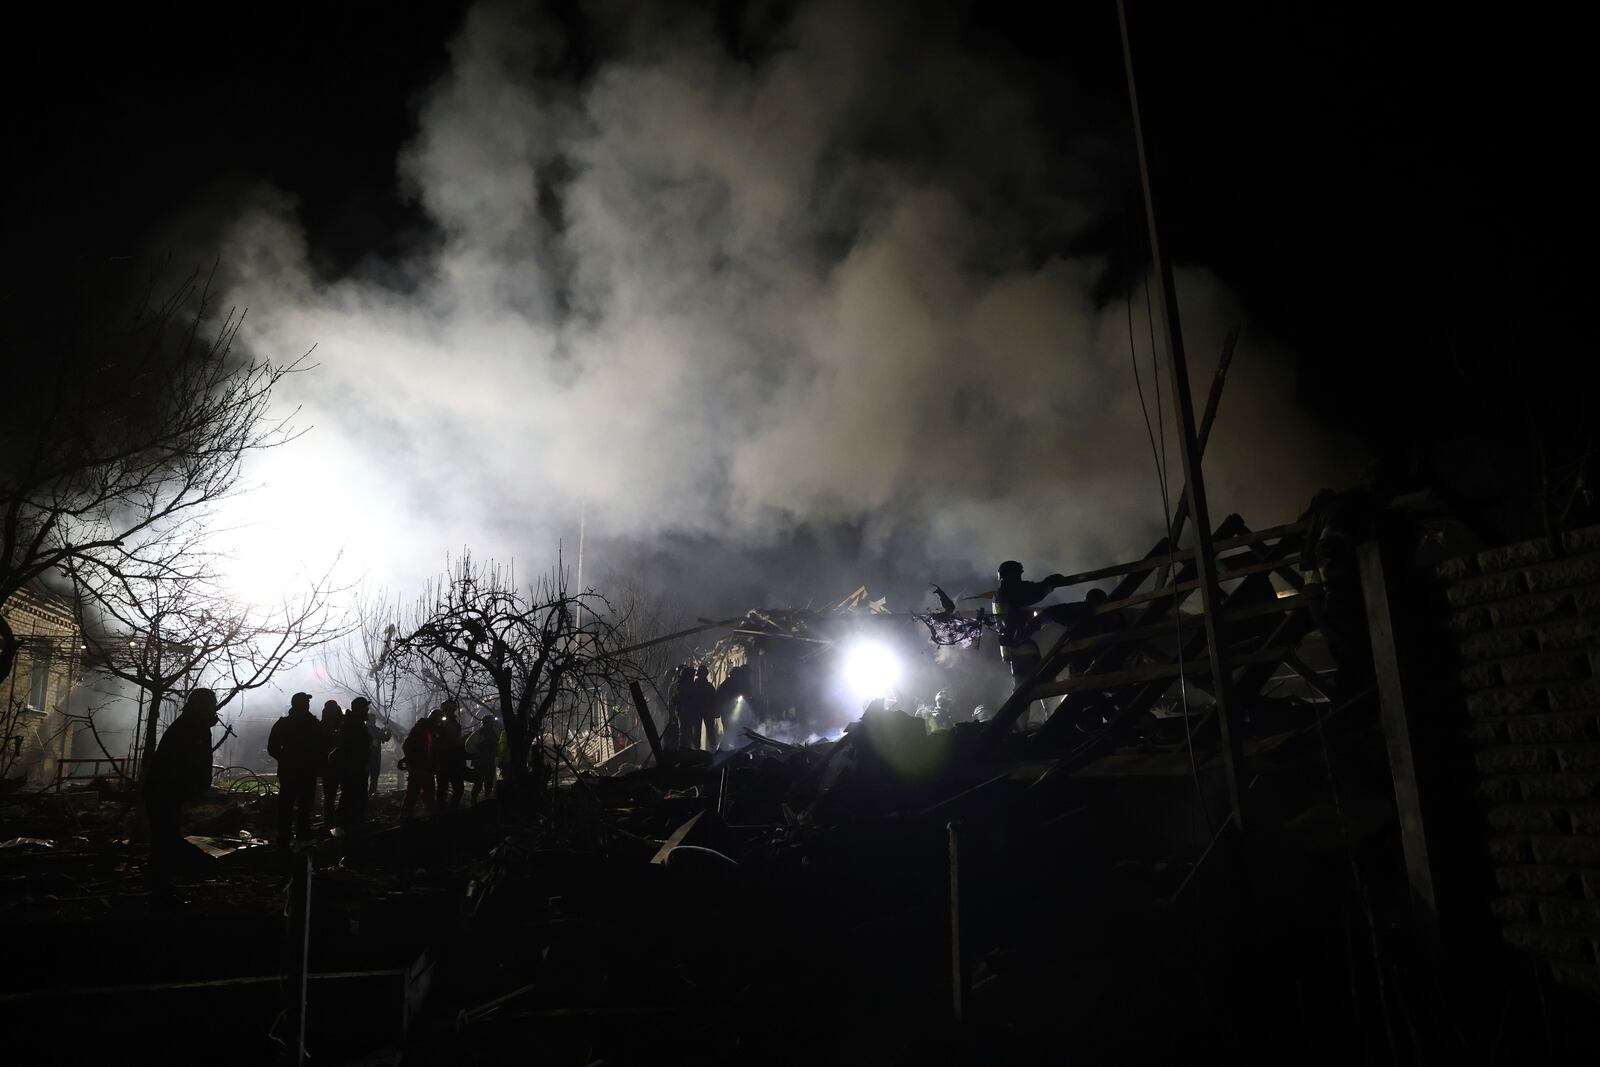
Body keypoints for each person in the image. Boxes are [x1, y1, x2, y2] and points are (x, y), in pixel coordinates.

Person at [142, 688, 219, 902]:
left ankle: (161, 883)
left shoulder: (193, 724)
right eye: (212, 703)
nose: (215, 707)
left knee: (164, 836)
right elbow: (189, 762)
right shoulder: (193, 727)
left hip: (165, 789)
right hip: (165, 789)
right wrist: (197, 787)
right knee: (165, 837)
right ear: (202, 705)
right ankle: (161, 888)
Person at [992, 560, 1094, 687]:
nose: (1020, 578)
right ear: (1009, 575)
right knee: (1030, 685)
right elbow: (1033, 592)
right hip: (1018, 644)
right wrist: (1049, 584)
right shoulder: (1009, 591)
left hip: (1014, 644)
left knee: (1028, 684)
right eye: (1017, 575)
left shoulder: (1001, 593)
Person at [268, 692, 324, 850]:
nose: (308, 705)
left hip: (292, 771)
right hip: (304, 771)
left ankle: (286, 836)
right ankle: (300, 835)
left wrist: (284, 758)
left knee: (290, 805)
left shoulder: (285, 723)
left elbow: (273, 747)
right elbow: (321, 746)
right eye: (306, 702)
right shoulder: (311, 724)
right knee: (301, 805)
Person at [333, 701, 373, 833]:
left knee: (354, 797)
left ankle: (350, 825)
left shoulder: (355, 724)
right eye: (365, 709)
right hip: (353, 769)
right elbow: (353, 748)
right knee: (353, 797)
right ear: (359, 710)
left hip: (356, 768)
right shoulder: (353, 726)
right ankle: (349, 827)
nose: (367, 712)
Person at [399, 713, 437, 818]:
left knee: (425, 793)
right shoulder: (420, 731)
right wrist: (413, 761)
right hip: (418, 768)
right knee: (414, 792)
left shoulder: (429, 731)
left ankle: (425, 814)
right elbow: (407, 746)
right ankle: (406, 817)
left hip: (425, 768)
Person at [433, 700, 467, 808]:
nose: (452, 711)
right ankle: (443, 809)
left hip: (453, 759)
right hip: (445, 758)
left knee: (456, 787)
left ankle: (451, 808)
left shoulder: (454, 723)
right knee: (443, 787)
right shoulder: (440, 723)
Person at [715, 665, 753, 751]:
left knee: (733, 732)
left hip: (731, 712)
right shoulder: (731, 684)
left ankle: (730, 749)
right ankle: (727, 750)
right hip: (729, 712)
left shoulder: (727, 684)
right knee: (731, 732)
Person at [318, 699, 344, 821]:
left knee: (331, 795)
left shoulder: (323, 725)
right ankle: (331, 820)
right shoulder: (325, 726)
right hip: (330, 765)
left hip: (333, 765)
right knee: (331, 795)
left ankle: (331, 819)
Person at [465, 714, 500, 804]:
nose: (491, 725)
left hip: (490, 761)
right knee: (479, 782)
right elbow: (468, 745)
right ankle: (474, 801)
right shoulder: (479, 733)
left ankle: (486, 801)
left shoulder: (493, 733)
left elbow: (497, 746)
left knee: (488, 783)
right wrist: (477, 751)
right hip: (481, 761)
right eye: (490, 723)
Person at [362, 699, 392, 795]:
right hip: (366, 757)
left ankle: (371, 792)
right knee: (366, 776)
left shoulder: (375, 729)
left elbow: (386, 738)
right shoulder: (364, 729)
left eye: (374, 720)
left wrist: (388, 730)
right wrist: (386, 731)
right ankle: (366, 793)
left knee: (374, 775)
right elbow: (384, 737)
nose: (374, 721)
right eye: (372, 719)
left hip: (374, 756)